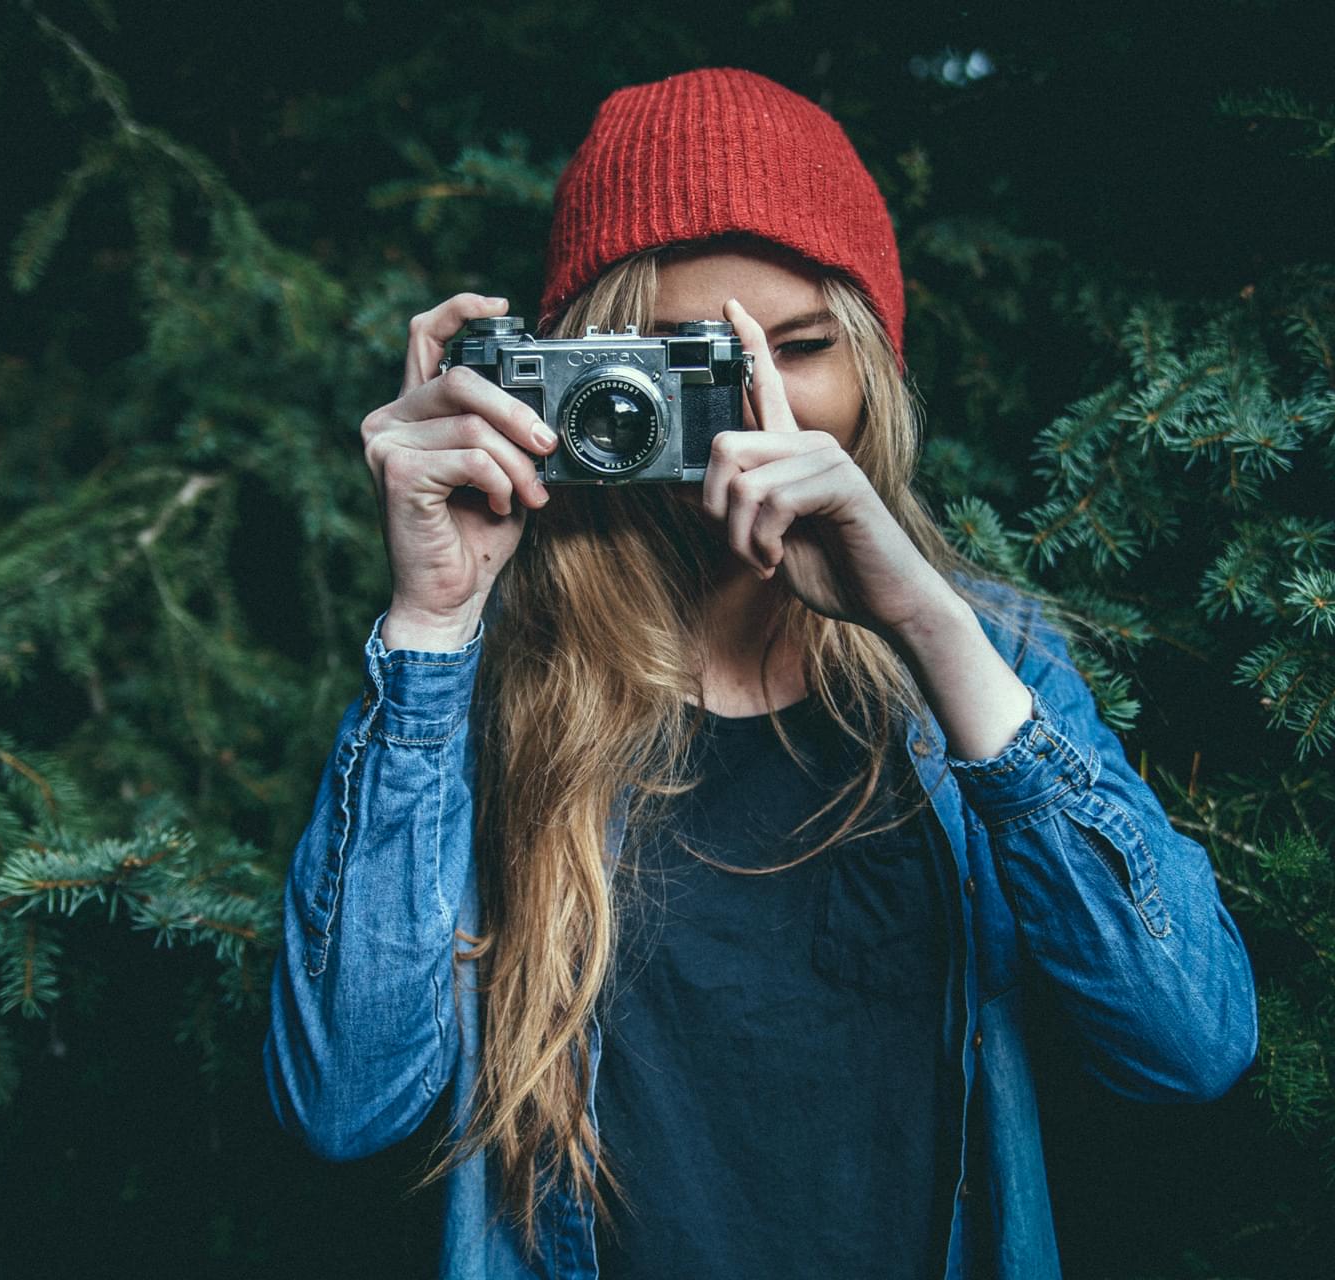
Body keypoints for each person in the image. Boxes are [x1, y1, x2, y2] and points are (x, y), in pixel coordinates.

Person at [263, 67, 1259, 1279]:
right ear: (584, 389)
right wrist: (429, 625)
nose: (754, 414)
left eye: (799, 349)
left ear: (878, 370)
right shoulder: (481, 684)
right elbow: (342, 1099)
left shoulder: (983, 661)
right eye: (688, 365)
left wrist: (929, 629)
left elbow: (1190, 1040)